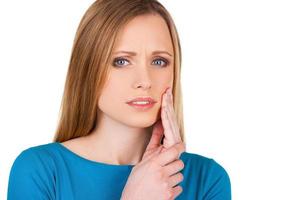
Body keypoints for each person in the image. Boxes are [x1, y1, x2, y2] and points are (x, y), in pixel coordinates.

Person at [7, 0, 231, 199]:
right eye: (121, 61)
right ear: (87, 68)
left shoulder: (208, 179)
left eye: (159, 62)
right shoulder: (39, 171)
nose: (144, 81)